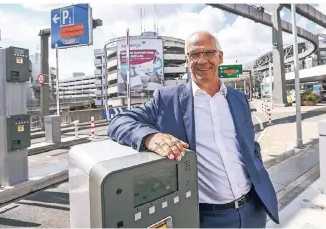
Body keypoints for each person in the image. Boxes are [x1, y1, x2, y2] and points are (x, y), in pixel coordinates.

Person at [107, 31, 279, 228]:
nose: (202, 60)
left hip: (253, 210)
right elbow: (119, 121)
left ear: (220, 57)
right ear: (186, 60)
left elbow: (250, 145)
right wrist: (150, 137)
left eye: (209, 53)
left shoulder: (238, 98)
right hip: (207, 219)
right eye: (194, 55)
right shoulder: (167, 100)